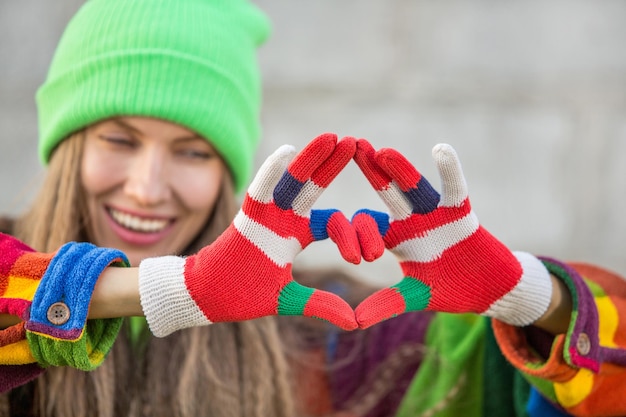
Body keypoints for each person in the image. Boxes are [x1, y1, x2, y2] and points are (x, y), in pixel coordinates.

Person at [0, 1, 624, 417]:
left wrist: (529, 294)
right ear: (66, 145)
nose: (146, 186)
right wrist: (174, 290)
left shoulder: (321, 336)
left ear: (226, 174)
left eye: (192, 152)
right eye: (118, 139)